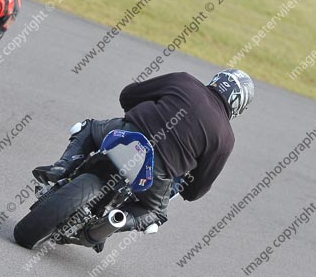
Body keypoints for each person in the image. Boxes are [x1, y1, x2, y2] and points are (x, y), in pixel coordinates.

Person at [32, 70, 254, 234]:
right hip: (157, 171)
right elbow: (196, 189)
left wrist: (136, 115)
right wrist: (182, 183)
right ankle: (111, 223)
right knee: (156, 213)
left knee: (88, 128)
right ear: (239, 105)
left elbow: (129, 94)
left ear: (216, 80)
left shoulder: (184, 80)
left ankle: (62, 167)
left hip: (124, 134)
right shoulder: (226, 137)